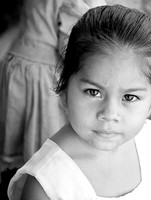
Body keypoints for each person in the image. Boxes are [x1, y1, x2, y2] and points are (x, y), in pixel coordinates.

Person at [8, 5, 151, 200]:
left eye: (129, 97)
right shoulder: (47, 182)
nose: (109, 113)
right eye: (93, 92)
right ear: (64, 89)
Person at [0, 0, 106, 164]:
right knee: (44, 141)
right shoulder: (74, 2)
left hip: (16, 66)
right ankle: (40, 179)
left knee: (21, 133)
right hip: (41, 77)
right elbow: (69, 48)